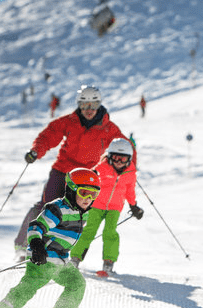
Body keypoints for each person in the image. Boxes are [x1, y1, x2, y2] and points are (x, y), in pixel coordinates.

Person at [0, 169, 101, 308]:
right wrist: (36, 245)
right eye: (84, 192)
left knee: (76, 284)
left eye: (93, 194)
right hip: (44, 259)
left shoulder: (82, 213)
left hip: (61, 261)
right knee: (27, 289)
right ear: (71, 190)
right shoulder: (58, 209)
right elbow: (36, 226)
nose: (88, 199)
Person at [15, 84, 128, 258]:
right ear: (79, 105)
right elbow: (49, 135)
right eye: (84, 105)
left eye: (93, 105)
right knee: (47, 207)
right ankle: (25, 247)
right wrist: (36, 151)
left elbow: (123, 146)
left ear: (99, 105)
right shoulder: (69, 121)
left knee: (77, 215)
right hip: (62, 172)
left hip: (86, 176)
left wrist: (127, 164)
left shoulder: (108, 128)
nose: (88, 110)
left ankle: (61, 252)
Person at [70, 138, 144, 276]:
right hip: (96, 205)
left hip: (115, 207)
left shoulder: (130, 173)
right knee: (89, 231)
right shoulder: (101, 168)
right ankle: (75, 258)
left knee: (110, 233)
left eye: (123, 159)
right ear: (109, 156)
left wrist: (133, 206)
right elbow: (89, 181)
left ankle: (108, 262)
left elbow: (130, 191)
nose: (119, 162)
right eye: (116, 157)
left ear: (129, 159)